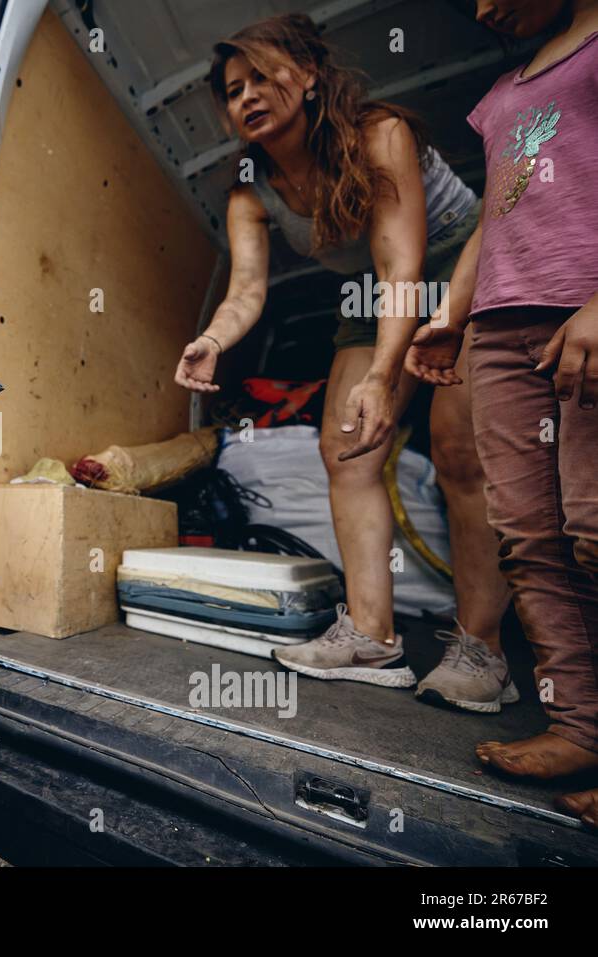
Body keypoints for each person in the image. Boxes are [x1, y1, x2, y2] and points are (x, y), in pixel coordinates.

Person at [175, 14, 514, 710]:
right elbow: (245, 291)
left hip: (456, 272)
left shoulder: (380, 134)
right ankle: (371, 635)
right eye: (234, 90)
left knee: (459, 449)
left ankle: (485, 653)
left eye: (263, 77)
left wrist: (387, 379)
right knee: (346, 449)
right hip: (372, 296)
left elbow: (402, 265)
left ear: (307, 76)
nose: (248, 97)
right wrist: (213, 337)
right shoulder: (252, 192)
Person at [405, 0, 598, 828]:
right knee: (529, 532)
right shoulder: (500, 93)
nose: (482, 7)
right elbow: (497, 209)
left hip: (582, 313)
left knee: (594, 525)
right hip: (499, 327)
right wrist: (452, 309)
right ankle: (581, 725)